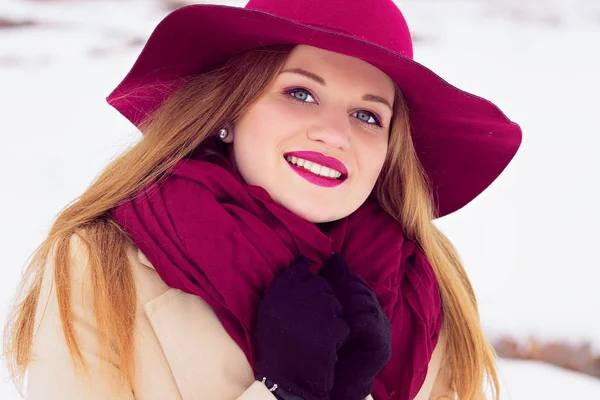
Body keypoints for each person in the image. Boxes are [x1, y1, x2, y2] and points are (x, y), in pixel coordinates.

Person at [2, 0, 522, 399]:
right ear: (231, 109)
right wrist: (287, 391)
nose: (334, 135)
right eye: (300, 93)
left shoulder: (427, 291)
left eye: (368, 115)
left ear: (389, 150)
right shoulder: (98, 265)